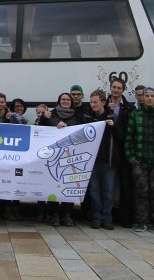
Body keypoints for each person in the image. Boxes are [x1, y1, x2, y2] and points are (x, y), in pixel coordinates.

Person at [126, 87, 154, 233]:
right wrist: (132, 158)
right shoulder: (135, 114)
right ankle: (142, 220)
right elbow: (129, 138)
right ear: (142, 98)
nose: (150, 98)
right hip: (140, 161)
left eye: (152, 96)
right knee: (141, 192)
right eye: (147, 96)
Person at [40, 93, 81, 226]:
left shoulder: (77, 115)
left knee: (68, 185)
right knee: (54, 186)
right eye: (63, 99)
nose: (65, 101)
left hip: (71, 156)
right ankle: (55, 214)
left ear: (71, 102)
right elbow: (40, 129)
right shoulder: (50, 115)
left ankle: (67, 214)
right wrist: (44, 119)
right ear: (58, 101)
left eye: (68, 99)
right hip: (54, 157)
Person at [86, 90, 117, 230]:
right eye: (91, 102)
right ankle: (96, 218)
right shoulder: (87, 117)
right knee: (94, 191)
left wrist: (113, 127)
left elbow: (121, 136)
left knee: (108, 191)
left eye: (95, 102)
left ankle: (107, 217)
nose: (93, 105)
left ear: (103, 103)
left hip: (107, 159)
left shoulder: (112, 116)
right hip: (92, 161)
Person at [108, 77, 136, 228]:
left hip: (124, 151)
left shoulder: (129, 108)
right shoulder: (103, 105)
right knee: (109, 185)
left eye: (119, 88)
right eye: (114, 87)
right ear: (110, 88)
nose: (116, 90)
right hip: (108, 151)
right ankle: (109, 215)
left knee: (126, 186)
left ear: (123, 90)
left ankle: (126, 217)